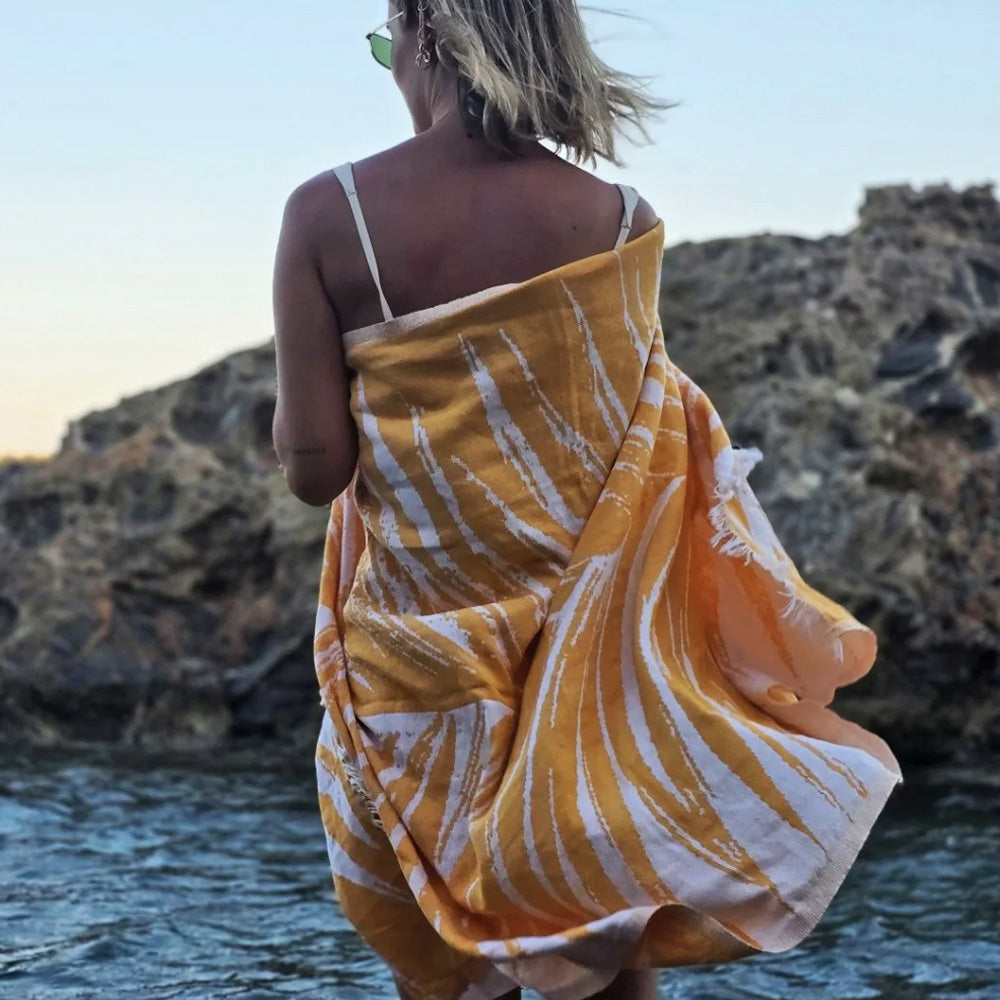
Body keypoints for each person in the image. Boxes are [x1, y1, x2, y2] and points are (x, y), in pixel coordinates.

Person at [271, 3, 904, 999]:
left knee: (440, 952)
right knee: (596, 934)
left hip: (421, 653)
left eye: (387, 42)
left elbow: (313, 470)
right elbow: (636, 442)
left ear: (423, 31)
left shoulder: (328, 212)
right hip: (588, 649)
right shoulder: (620, 219)